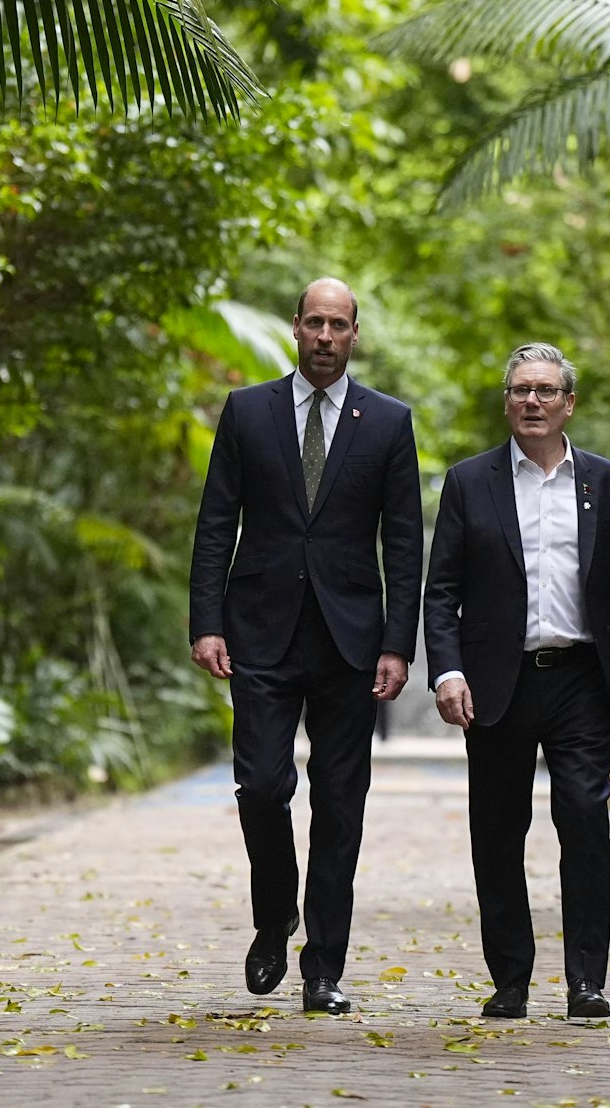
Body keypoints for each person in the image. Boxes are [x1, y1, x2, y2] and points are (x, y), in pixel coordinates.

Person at [188, 277, 424, 1015]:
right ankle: (273, 917)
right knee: (261, 785)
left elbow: (406, 542)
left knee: (340, 803)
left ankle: (324, 965)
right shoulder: (247, 410)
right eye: (314, 322)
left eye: (338, 324)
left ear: (356, 334)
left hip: (351, 639)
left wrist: (398, 642)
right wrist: (206, 621)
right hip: (258, 628)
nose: (325, 335)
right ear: (296, 328)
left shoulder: (388, 422)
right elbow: (216, 521)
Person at [424, 342, 610, 1022]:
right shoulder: (470, 482)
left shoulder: (606, 483)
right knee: (497, 832)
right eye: (521, 390)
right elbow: (442, 592)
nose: (533, 401)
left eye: (546, 390)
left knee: (584, 820)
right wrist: (447, 669)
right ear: (507, 401)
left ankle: (586, 980)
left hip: (583, 680)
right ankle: (511, 980)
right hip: (498, 682)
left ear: (569, 404)